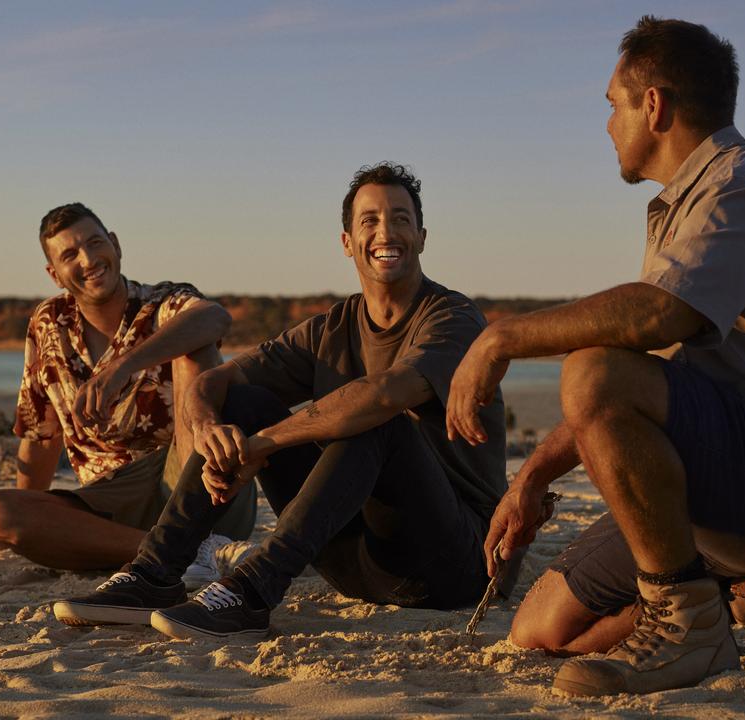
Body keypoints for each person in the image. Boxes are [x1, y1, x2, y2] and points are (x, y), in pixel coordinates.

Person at [445, 16, 745, 696]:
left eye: (613, 104)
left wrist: (501, 335)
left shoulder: (741, 187)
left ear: (654, 105)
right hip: (713, 478)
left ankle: (692, 623)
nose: (607, 124)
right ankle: (735, 599)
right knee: (538, 631)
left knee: (593, 364)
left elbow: (654, 322)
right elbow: (645, 386)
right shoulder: (683, 211)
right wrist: (533, 480)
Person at [52, 163, 509, 639]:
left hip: (454, 566)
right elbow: (213, 384)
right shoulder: (331, 328)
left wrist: (263, 444)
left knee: (376, 420)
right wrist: (209, 430)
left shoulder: (454, 318)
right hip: (356, 564)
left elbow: (384, 394)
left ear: (421, 236)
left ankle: (252, 593)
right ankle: (152, 575)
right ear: (347, 242)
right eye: (369, 220)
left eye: (400, 218)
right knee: (243, 403)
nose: (385, 232)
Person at [0, 203, 256, 581]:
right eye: (70, 254)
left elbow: (215, 318)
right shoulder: (49, 324)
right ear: (54, 273)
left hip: (197, 480)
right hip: (113, 504)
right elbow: (42, 436)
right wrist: (25, 516)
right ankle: (174, 551)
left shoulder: (162, 303)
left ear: (115, 244)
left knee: (195, 348)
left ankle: (191, 535)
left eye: (96, 243)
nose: (89, 259)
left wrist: (121, 366)